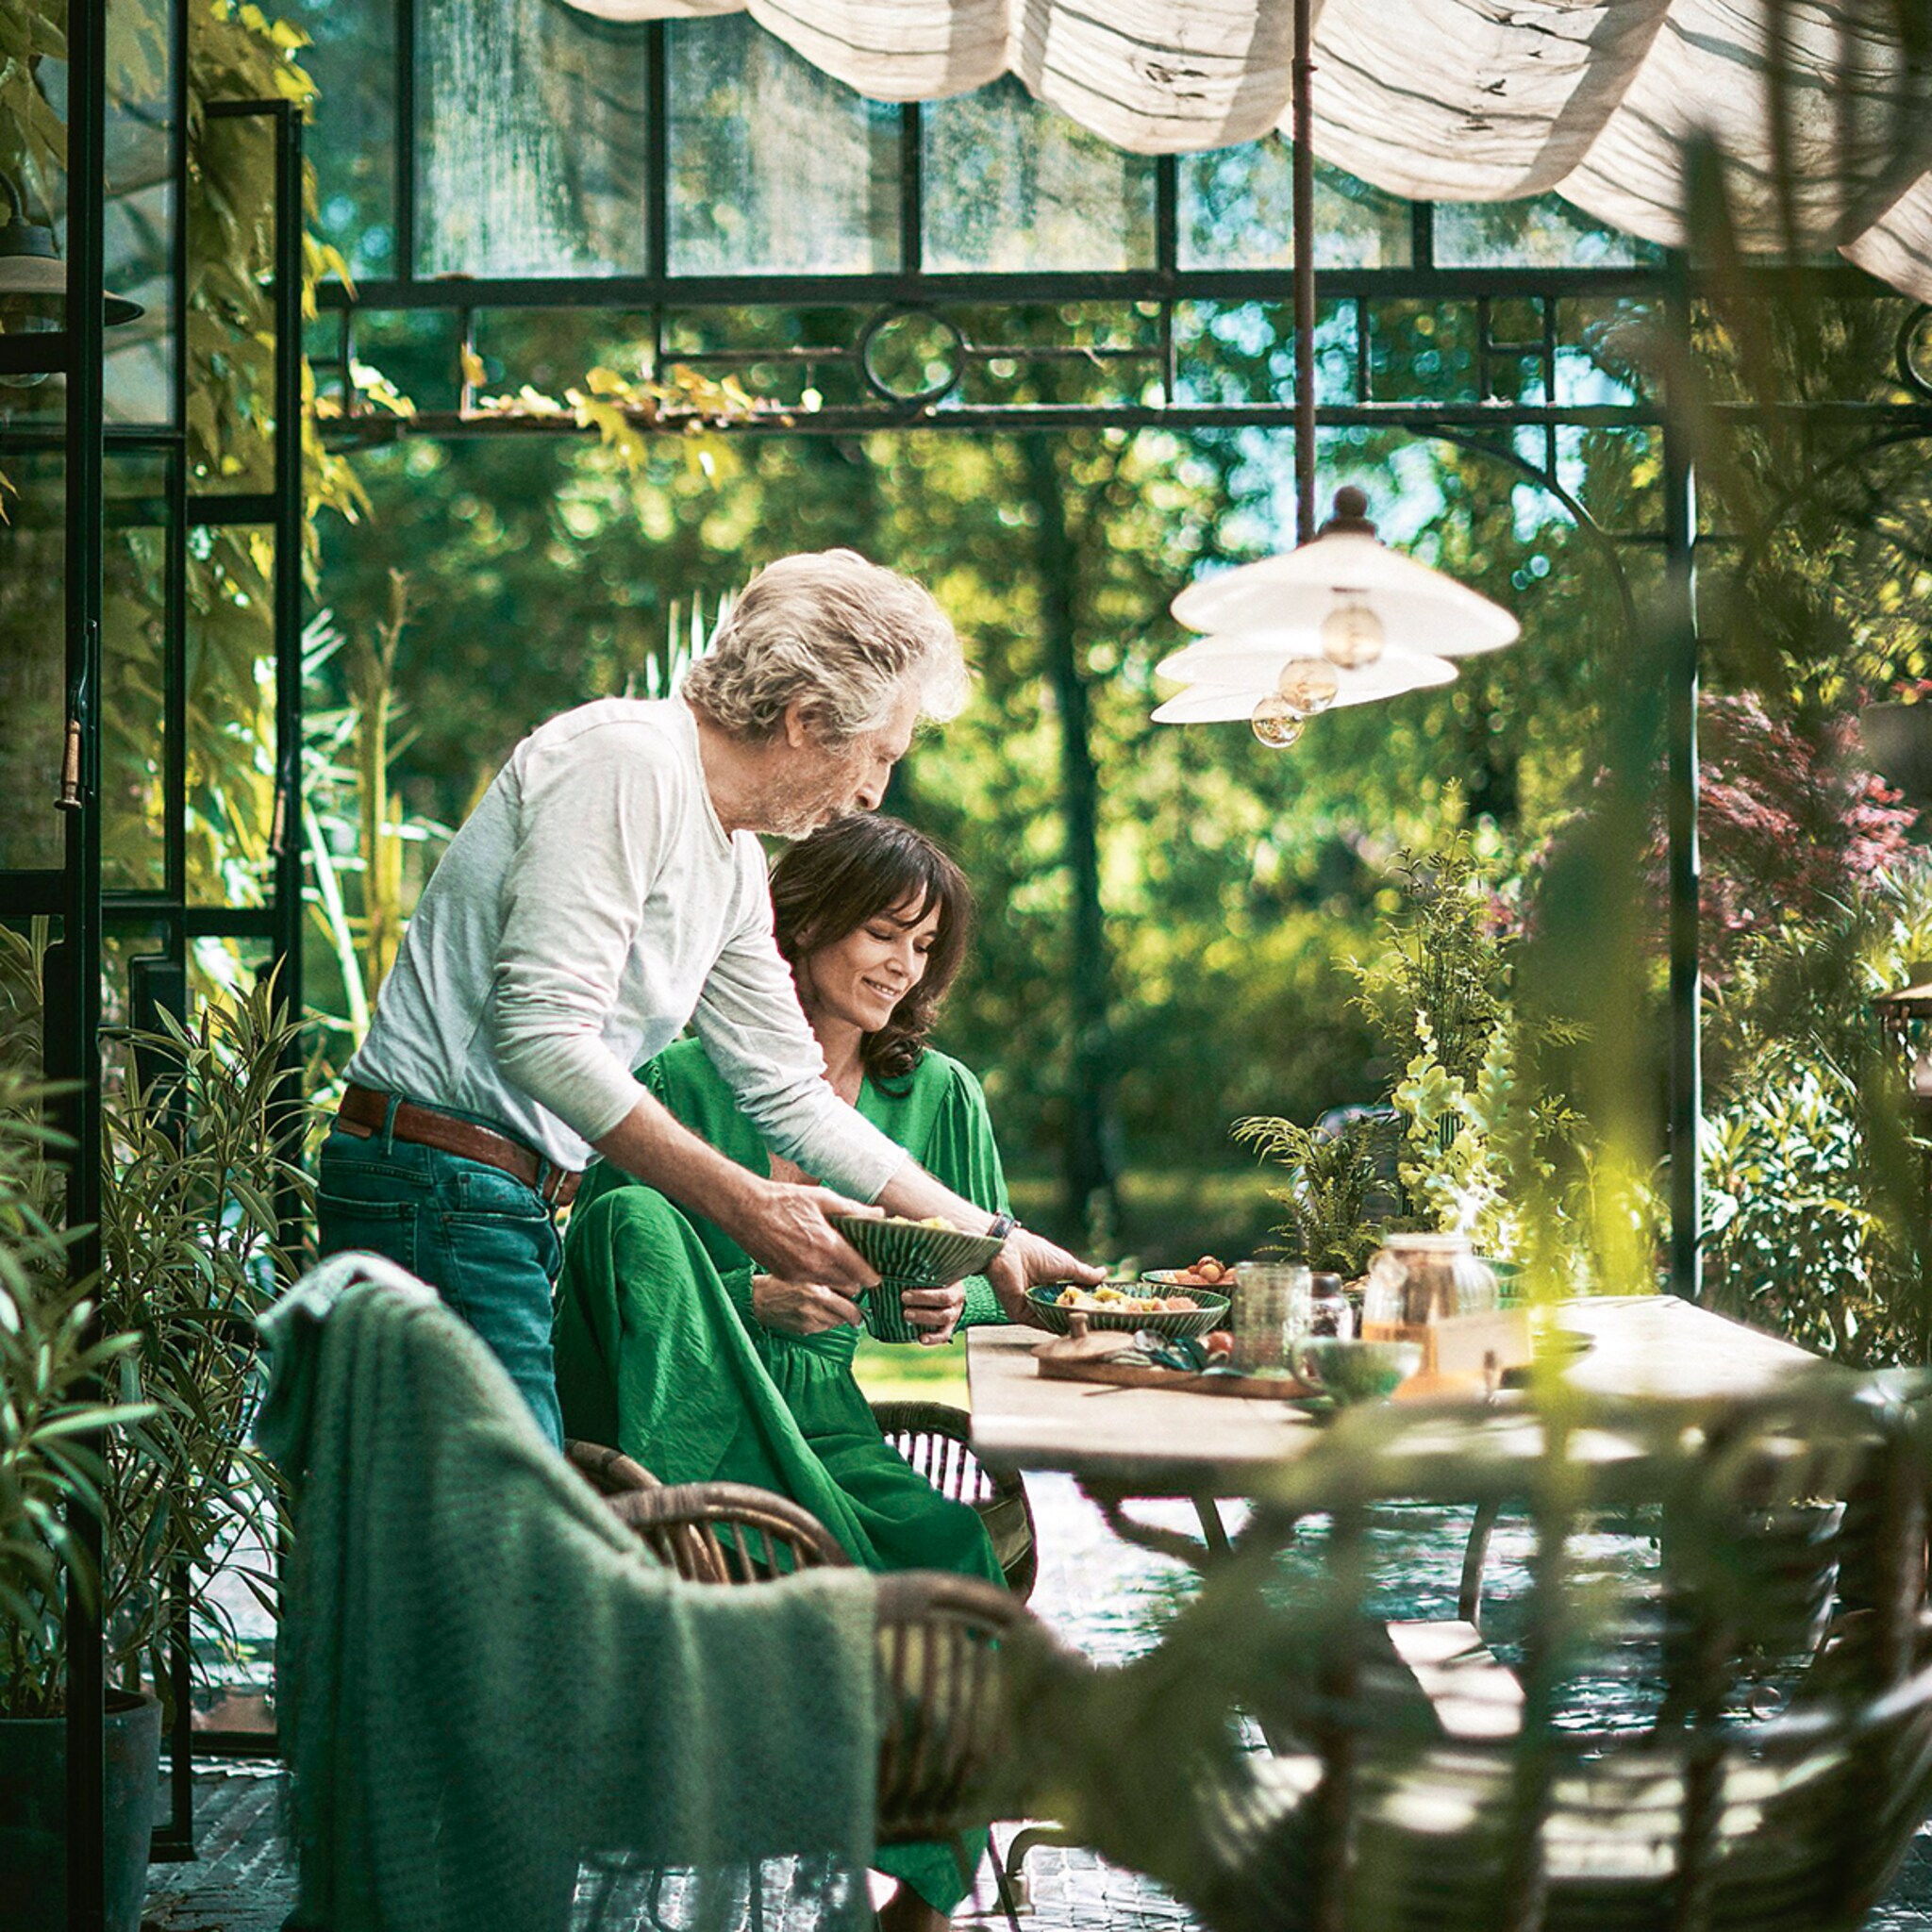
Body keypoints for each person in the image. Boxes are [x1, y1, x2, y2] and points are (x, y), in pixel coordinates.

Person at [316, 551, 1100, 1447]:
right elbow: (540, 1035)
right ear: (808, 719)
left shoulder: (730, 862)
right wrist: (750, 1207)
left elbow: (792, 1096)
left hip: (498, 1198)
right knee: (490, 1550)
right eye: (879, 754)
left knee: (481, 1546)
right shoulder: (626, 764)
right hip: (437, 1182)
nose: (875, 791)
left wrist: (994, 1237)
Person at [551, 814, 1017, 1932]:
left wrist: (956, 1295)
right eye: (882, 932)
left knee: (949, 1553)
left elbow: (1000, 1271)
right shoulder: (677, 1077)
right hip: (690, 1413)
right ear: (800, 923)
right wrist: (741, 1293)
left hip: (847, 1415)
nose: (903, 967)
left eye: (923, 948)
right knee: (627, 1214)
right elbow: (609, 1266)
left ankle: (916, 1891)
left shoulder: (939, 1094)